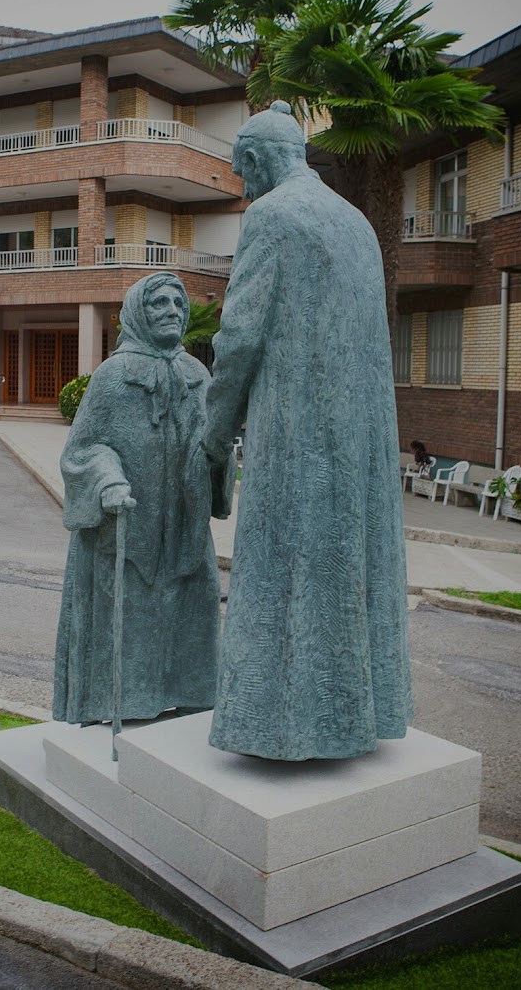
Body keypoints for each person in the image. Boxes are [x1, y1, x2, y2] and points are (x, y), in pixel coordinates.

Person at [201, 101, 413, 761]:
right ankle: (352, 717)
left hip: (296, 436)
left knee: (284, 574)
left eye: (242, 173)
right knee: (344, 572)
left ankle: (278, 725)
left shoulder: (272, 215)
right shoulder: (356, 223)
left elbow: (239, 338)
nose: (243, 188)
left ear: (256, 160)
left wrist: (214, 431)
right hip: (359, 439)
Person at [53, 272, 234, 726]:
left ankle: (192, 693)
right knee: (131, 614)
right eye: (159, 303)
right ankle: (124, 703)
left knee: (193, 607)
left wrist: (218, 456)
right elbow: (84, 448)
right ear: (138, 312)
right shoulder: (113, 376)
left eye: (178, 303)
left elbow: (211, 441)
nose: (172, 310)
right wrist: (108, 481)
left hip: (186, 527)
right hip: (128, 526)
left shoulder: (197, 374)